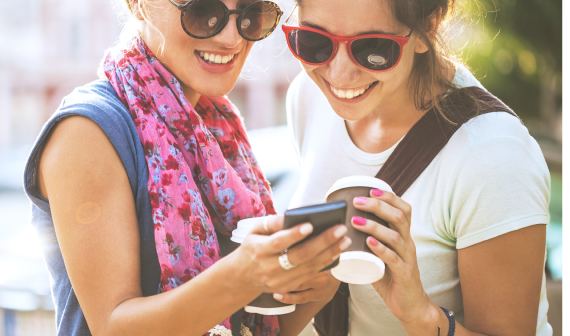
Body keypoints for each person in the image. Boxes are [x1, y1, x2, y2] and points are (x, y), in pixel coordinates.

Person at [23, 0, 352, 335]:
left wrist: (316, 287)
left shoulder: (215, 132)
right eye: (203, 11)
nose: (231, 38)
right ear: (138, 5)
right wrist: (242, 276)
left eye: (253, 16)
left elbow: (247, 324)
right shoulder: (88, 131)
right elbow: (112, 327)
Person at [282, 0, 553, 335]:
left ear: (431, 24)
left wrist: (422, 315)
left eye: (373, 49)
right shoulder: (308, 97)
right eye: (314, 42)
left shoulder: (493, 154)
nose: (337, 74)